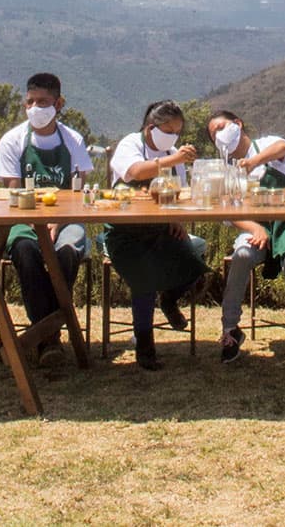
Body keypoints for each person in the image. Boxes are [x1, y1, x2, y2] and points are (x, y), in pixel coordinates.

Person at [208, 110, 285, 363]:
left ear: (237, 125)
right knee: (242, 255)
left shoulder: (263, 146)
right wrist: (254, 228)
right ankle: (230, 329)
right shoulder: (224, 169)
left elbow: (283, 147)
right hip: (255, 228)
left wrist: (253, 162)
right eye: (213, 135)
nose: (219, 136)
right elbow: (227, 213)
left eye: (221, 127)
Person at [0, 73, 93, 367]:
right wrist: (40, 222)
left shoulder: (73, 140)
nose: (36, 107)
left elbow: (77, 189)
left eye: (43, 102)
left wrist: (56, 222)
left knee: (67, 250)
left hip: (66, 217)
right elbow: (13, 189)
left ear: (59, 103)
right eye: (31, 102)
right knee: (25, 251)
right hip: (22, 217)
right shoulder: (13, 140)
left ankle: (42, 334)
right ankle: (50, 337)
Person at [103, 100, 209, 370]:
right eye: (168, 130)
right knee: (144, 280)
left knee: (196, 270)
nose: (173, 137)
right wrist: (173, 158)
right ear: (151, 127)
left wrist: (176, 219)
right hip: (126, 233)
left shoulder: (174, 155)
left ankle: (170, 299)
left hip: (159, 230)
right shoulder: (131, 144)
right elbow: (135, 171)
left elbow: (179, 193)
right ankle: (144, 344)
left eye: (177, 132)